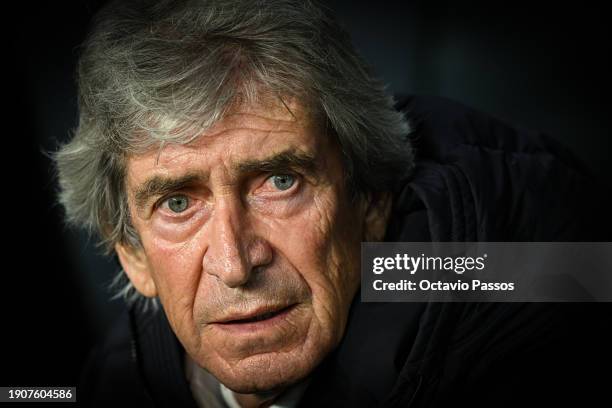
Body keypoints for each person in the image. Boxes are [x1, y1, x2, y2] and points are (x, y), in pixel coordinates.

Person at [54, 0, 612, 407]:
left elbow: (574, 276)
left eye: (278, 182)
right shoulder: (112, 379)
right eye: (178, 203)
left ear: (370, 198)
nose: (235, 263)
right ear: (131, 253)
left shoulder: (491, 284)